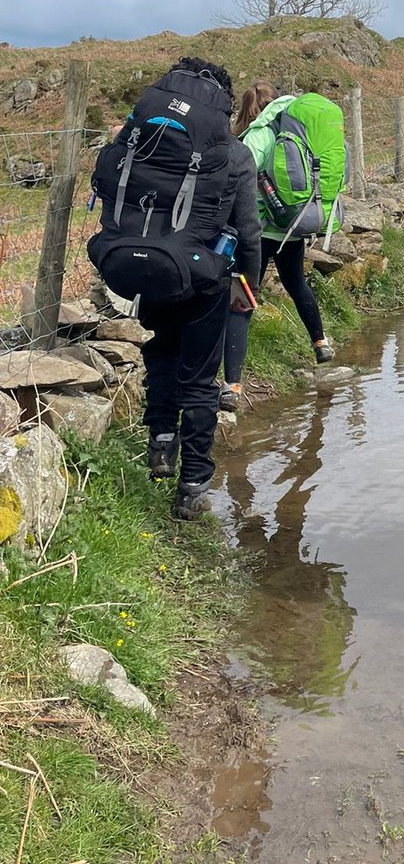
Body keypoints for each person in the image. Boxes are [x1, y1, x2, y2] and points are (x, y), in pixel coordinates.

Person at [94, 57, 260, 519]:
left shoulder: (141, 136)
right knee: (200, 379)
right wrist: (248, 284)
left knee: (162, 350)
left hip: (147, 266)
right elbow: (247, 230)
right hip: (205, 278)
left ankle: (161, 444)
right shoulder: (235, 153)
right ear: (223, 105)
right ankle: (192, 486)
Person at [220, 80, 335, 410]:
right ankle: (320, 342)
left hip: (259, 230)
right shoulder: (296, 131)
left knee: (242, 298)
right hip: (293, 225)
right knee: (296, 282)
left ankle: (232, 386)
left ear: (247, 108)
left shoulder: (257, 136)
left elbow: (238, 178)